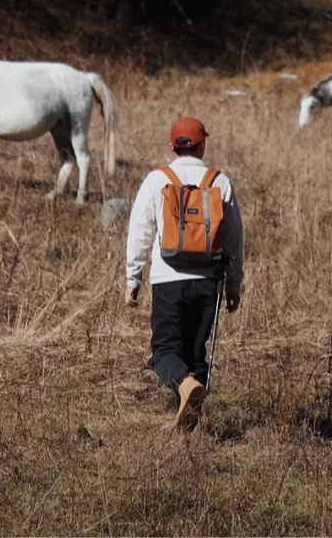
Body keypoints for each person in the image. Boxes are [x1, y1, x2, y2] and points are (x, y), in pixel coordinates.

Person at [125, 116, 243, 430]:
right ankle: (191, 422)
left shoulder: (156, 179)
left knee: (164, 351)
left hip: (168, 279)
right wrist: (234, 283)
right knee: (195, 353)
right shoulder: (220, 181)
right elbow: (234, 238)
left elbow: (140, 231)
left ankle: (184, 386)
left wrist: (132, 278)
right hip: (208, 281)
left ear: (172, 146)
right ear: (203, 144)